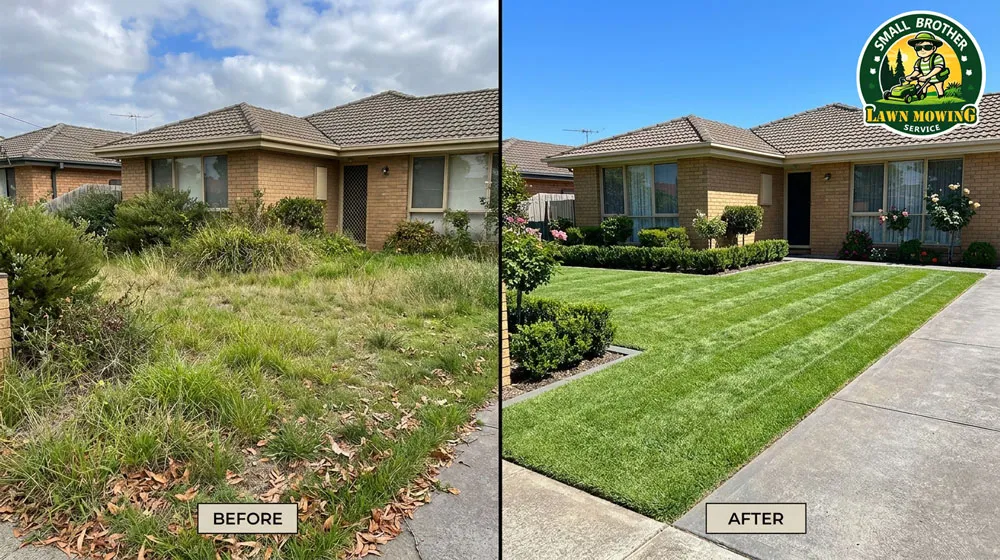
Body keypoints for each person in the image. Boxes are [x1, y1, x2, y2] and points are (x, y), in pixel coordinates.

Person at [904, 31, 949, 99]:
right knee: (923, 87)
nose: (922, 50)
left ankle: (941, 98)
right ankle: (922, 97)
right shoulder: (919, 62)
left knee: (939, 88)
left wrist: (926, 76)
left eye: (927, 47)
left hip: (937, 78)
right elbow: (917, 71)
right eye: (918, 48)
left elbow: (937, 68)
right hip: (926, 79)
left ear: (934, 48)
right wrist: (911, 76)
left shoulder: (937, 58)